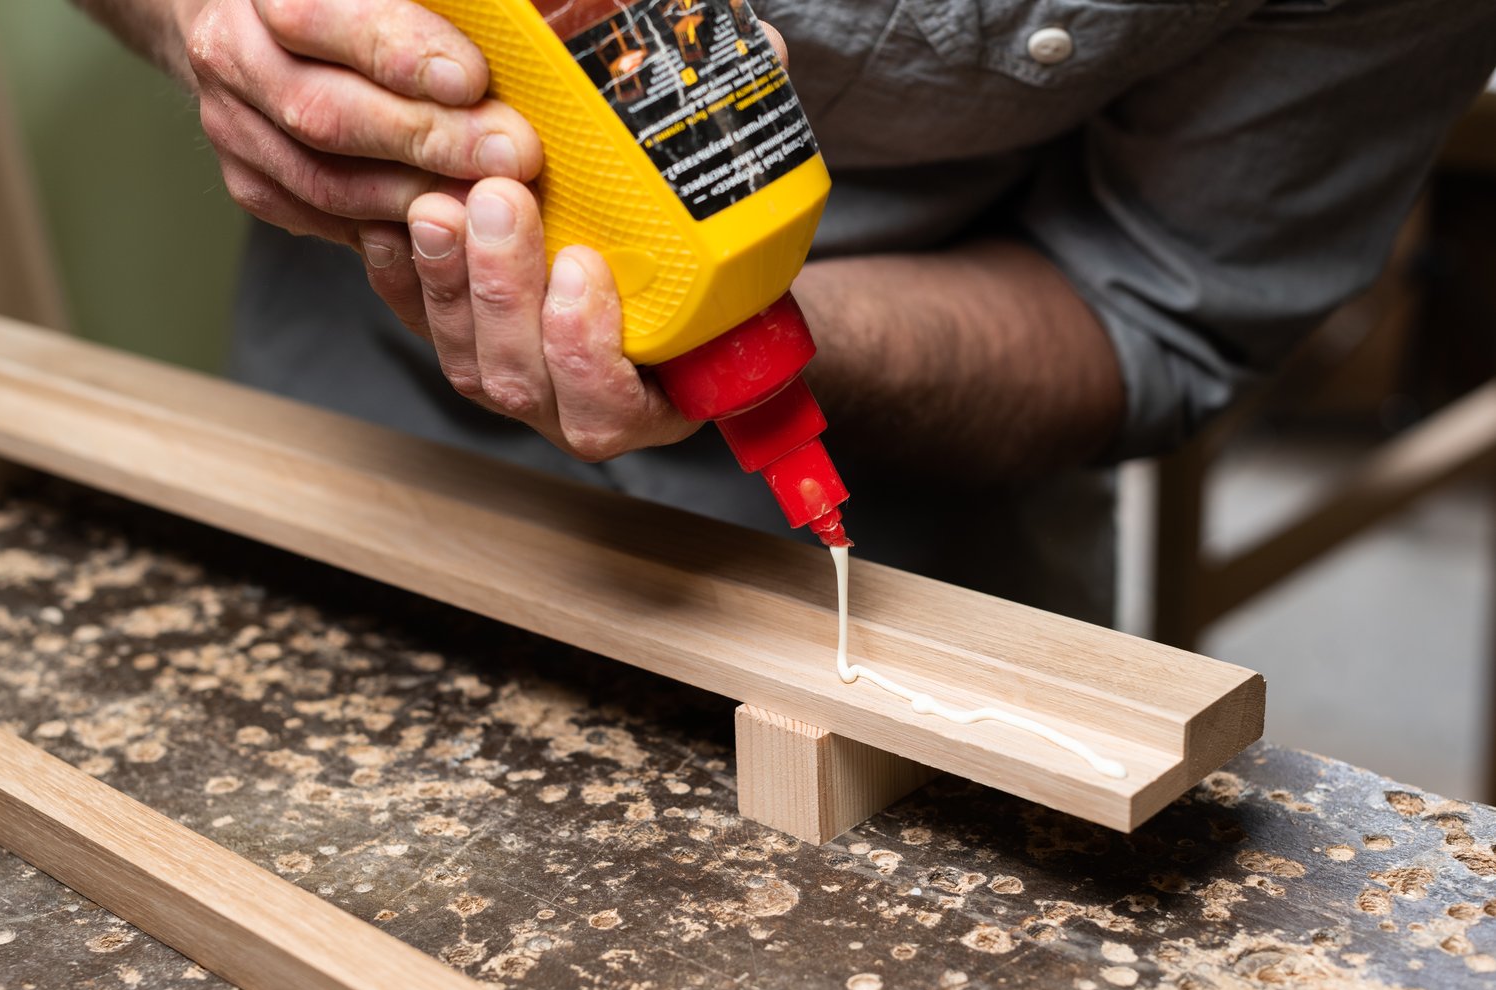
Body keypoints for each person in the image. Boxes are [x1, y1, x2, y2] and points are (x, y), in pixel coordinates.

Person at [74, 0, 1496, 625]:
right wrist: (224, 27)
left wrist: (765, 342)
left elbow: (1153, 310)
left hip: (929, 547)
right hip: (352, 446)